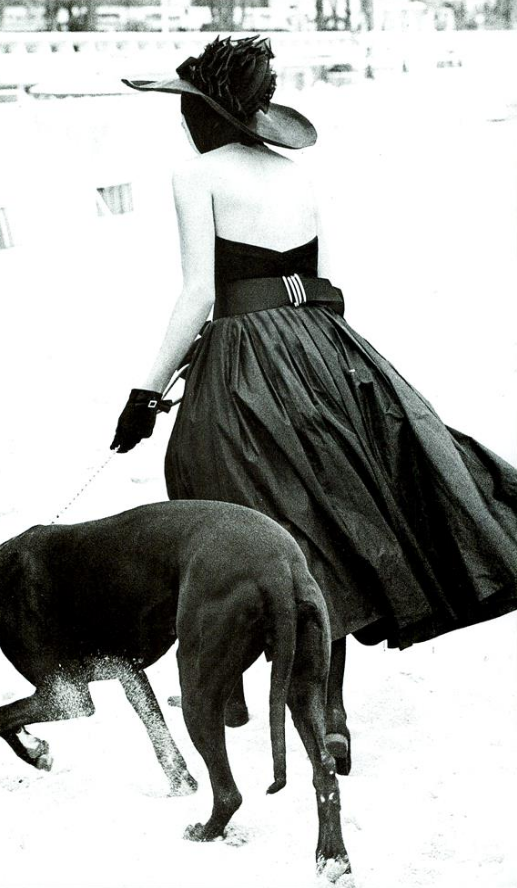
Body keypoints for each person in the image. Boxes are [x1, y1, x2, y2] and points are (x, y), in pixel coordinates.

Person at [110, 35, 517, 775]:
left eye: (187, 108)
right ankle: (330, 712)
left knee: (208, 489)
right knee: (322, 522)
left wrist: (143, 391)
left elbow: (198, 293)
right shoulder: (300, 176)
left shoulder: (194, 174)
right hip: (325, 350)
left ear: (209, 113)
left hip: (243, 359)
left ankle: (230, 686)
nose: (183, 120)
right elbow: (323, 287)